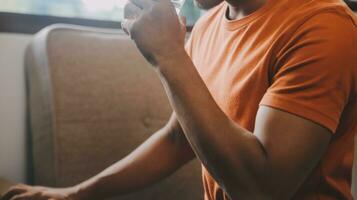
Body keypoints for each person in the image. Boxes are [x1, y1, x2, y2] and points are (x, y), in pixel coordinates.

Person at [2, 0, 357, 199]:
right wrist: (74, 194)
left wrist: (168, 56)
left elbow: (260, 189)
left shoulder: (325, 28)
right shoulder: (209, 24)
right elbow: (178, 138)